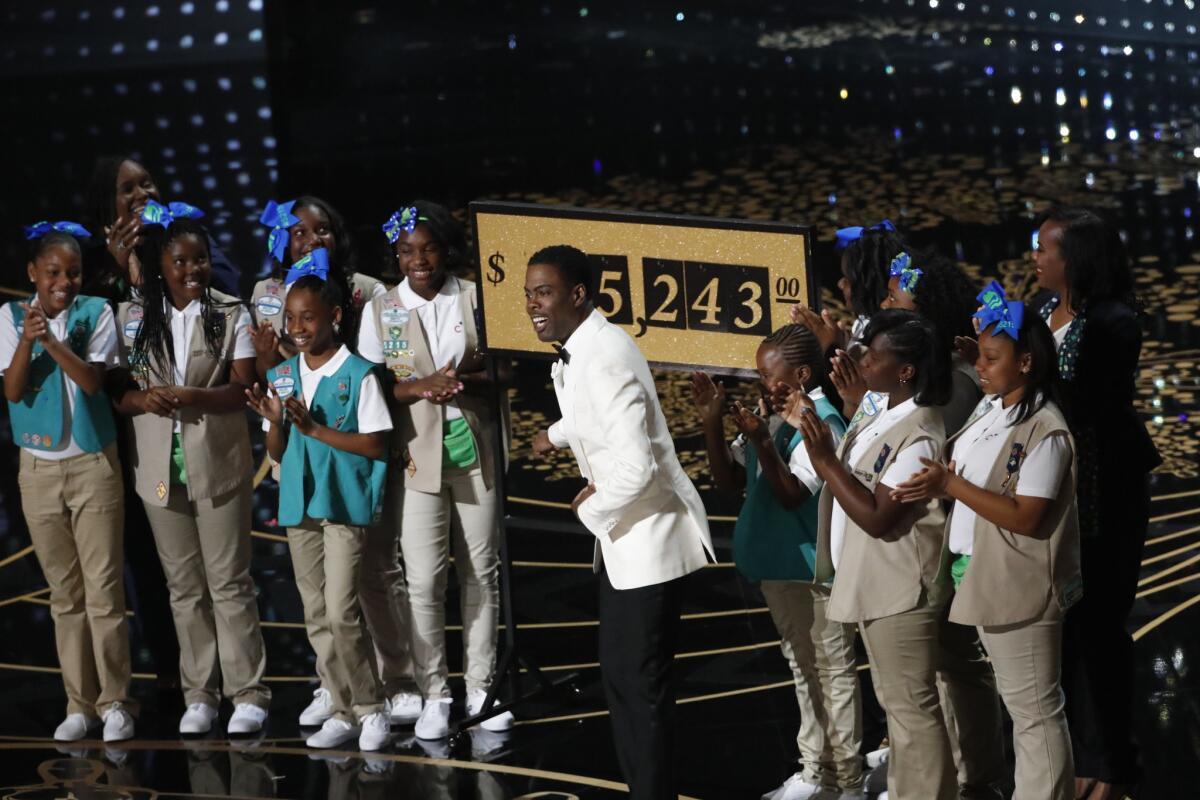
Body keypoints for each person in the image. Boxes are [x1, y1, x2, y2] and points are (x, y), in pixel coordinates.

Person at [527, 244, 715, 799]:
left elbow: (638, 469)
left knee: (639, 689)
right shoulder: (584, 350)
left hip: (649, 545)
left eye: (545, 292)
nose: (534, 305)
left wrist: (590, 507)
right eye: (529, 294)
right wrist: (553, 435)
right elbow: (591, 412)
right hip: (627, 547)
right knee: (626, 682)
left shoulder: (604, 355)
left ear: (578, 294)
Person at [892, 283, 1080, 800]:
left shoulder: (1047, 430)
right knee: (1018, 707)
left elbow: (1028, 516)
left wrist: (949, 484)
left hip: (1018, 582)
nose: (982, 367)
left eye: (993, 358)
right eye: (980, 356)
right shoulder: (992, 410)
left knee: (1035, 714)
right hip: (978, 574)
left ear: (1026, 362)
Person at [784, 309, 958, 800]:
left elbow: (879, 516)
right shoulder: (882, 407)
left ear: (905, 370)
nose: (861, 358)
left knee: (912, 710)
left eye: (873, 355)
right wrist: (852, 404)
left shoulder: (920, 432)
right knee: (898, 706)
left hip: (901, 588)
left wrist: (824, 461)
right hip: (877, 583)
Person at [111, 200, 270, 735]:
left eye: (199, 259)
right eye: (181, 261)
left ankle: (247, 693)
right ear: (162, 265)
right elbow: (120, 395)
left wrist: (191, 396)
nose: (192, 270)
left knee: (229, 582)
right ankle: (199, 694)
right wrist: (146, 400)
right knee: (183, 587)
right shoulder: (133, 316)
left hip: (218, 463)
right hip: (158, 468)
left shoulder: (231, 313)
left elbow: (244, 387)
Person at [358, 201, 510, 739]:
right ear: (396, 255)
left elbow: (506, 367)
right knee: (423, 581)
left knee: (481, 575)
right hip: (415, 460)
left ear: (446, 250)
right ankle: (435, 693)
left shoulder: (472, 298)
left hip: (475, 455)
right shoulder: (382, 309)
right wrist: (421, 387)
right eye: (407, 251)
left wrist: (462, 379)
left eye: (427, 249)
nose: (418, 260)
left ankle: (480, 685)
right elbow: (370, 387)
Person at [693, 324, 862, 800]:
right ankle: (814, 770)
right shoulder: (767, 417)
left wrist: (765, 442)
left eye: (770, 373)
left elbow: (791, 495)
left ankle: (846, 780)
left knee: (834, 669)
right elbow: (729, 481)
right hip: (776, 562)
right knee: (801, 667)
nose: (762, 382)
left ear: (803, 374)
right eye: (759, 373)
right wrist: (712, 421)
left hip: (816, 566)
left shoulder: (821, 421)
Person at [1032, 207, 1161, 800]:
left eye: (1045, 248)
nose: (1035, 256)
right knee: (1062, 630)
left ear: (1075, 259)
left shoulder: (1114, 322)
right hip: (1050, 485)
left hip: (1105, 488)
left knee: (1101, 628)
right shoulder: (1037, 313)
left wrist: (1025, 369)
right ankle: (1078, 754)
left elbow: (1088, 402)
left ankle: (1113, 765)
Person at [0, 221, 135, 743]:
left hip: (92, 464)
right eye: (53, 272)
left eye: (73, 272)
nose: (64, 282)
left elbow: (92, 380)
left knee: (103, 590)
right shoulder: (11, 318)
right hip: (38, 468)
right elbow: (13, 392)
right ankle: (79, 703)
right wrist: (28, 341)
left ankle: (117, 700)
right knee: (65, 594)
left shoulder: (96, 312)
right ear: (32, 273)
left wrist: (52, 341)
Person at [247, 270, 392, 751]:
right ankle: (341, 705)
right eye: (290, 318)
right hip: (299, 503)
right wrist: (274, 423)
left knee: (341, 609)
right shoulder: (282, 376)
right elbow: (279, 449)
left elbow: (374, 444)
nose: (297, 327)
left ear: (333, 317)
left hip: (343, 503)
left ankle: (372, 709)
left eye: (308, 317)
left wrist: (314, 429)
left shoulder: (358, 374)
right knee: (315, 613)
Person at [84, 155, 240, 298]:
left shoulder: (188, 237)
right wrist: (116, 270)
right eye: (128, 189)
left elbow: (228, 287)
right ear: (106, 205)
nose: (142, 193)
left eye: (146, 184)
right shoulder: (93, 259)